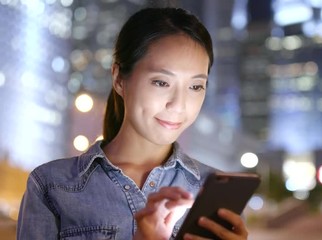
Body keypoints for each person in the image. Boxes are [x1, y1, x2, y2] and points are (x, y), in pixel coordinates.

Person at [17, 7, 249, 240]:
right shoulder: (52, 185)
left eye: (196, 86)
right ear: (119, 78)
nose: (179, 105)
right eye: (161, 82)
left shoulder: (212, 192)